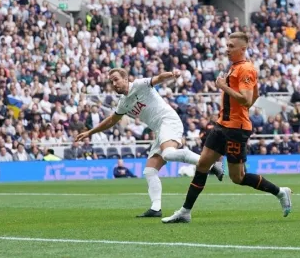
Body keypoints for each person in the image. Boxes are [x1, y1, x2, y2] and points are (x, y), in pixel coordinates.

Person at [162, 32, 292, 224]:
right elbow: (253, 96)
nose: (227, 49)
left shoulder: (246, 69)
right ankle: (185, 211)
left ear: (242, 49)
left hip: (236, 130)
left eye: (231, 46)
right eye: (227, 45)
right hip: (221, 126)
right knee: (203, 165)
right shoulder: (235, 68)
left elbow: (247, 99)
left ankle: (280, 192)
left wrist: (223, 87)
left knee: (238, 177)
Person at [76, 68, 223, 218]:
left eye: (116, 79)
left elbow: (158, 78)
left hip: (168, 121)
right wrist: (90, 132)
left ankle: (211, 164)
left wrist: (172, 75)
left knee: (168, 154)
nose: (113, 84)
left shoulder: (139, 85)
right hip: (160, 130)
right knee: (150, 171)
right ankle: (155, 208)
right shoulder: (123, 103)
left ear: (126, 79)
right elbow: (111, 121)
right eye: (111, 81)